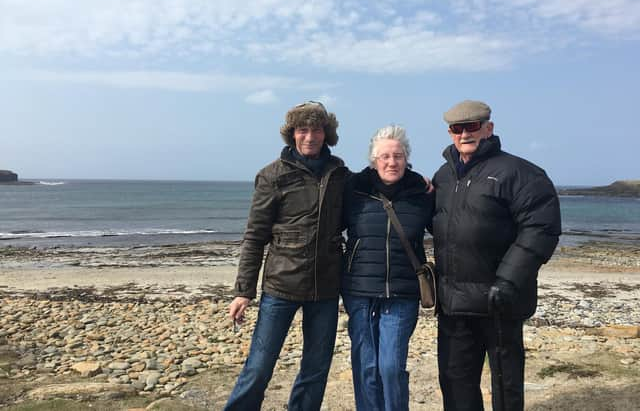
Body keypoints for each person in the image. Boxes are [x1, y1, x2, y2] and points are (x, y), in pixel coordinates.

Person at [431, 100, 562, 411]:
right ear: (450, 133)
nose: (464, 134)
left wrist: (507, 281)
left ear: (488, 128)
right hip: (453, 303)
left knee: (505, 384)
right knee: (455, 381)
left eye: (472, 126)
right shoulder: (443, 177)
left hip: (499, 301)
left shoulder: (520, 173)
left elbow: (541, 228)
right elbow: (432, 220)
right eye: (457, 128)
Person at [224, 101, 350, 411]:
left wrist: (418, 183)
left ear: (327, 134)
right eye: (302, 130)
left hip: (325, 289)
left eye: (316, 130)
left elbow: (372, 194)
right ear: (292, 134)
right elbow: (255, 236)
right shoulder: (272, 176)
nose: (310, 137)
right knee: (259, 367)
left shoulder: (341, 175)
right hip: (280, 286)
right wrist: (243, 291)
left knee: (315, 370)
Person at [341, 125, 434, 411]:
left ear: (407, 158)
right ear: (373, 160)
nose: (391, 162)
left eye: (398, 155)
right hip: (359, 291)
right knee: (366, 368)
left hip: (403, 293)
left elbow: (451, 230)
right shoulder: (353, 189)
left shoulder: (422, 193)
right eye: (384, 156)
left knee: (391, 368)